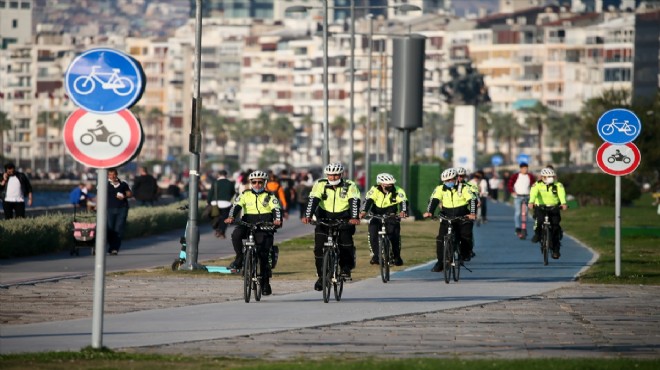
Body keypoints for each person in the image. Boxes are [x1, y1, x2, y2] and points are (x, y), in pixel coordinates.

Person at [301, 162, 361, 291]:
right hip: (324, 218)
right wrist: (308, 215)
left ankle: (346, 268)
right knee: (318, 248)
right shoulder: (320, 184)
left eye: (335, 175)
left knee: (345, 243)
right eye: (330, 175)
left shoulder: (349, 185)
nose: (333, 178)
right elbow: (313, 200)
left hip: (344, 218)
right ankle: (321, 277)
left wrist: (354, 217)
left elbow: (354, 201)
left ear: (341, 174)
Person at [225, 170, 283, 296]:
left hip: (264, 226)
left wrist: (277, 220)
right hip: (247, 223)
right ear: (250, 183)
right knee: (236, 235)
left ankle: (265, 282)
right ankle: (239, 257)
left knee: (263, 255)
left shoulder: (270, 196)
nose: (257, 184)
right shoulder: (245, 194)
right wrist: (231, 217)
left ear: (264, 183)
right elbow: (236, 206)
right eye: (254, 182)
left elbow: (277, 209)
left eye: (260, 182)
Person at [423, 168, 477, 272]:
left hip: (463, 216)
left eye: (450, 180)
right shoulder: (439, 189)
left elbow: (472, 200)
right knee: (440, 239)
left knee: (466, 235)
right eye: (446, 181)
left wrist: (472, 213)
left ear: (456, 178)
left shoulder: (465, 188)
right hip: (446, 216)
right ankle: (440, 262)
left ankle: (465, 253)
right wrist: (429, 212)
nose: (448, 182)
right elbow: (434, 200)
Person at [359, 173, 409, 266]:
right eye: (387, 184)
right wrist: (363, 211)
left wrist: (403, 211)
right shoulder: (374, 189)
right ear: (381, 184)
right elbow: (368, 201)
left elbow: (403, 202)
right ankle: (376, 256)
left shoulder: (398, 190)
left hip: (391, 216)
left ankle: (396, 256)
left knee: (395, 236)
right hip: (376, 215)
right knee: (372, 234)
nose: (390, 186)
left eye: (391, 184)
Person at [528, 167, 568, 259]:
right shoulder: (536, 185)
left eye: (551, 176)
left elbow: (562, 194)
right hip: (540, 207)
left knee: (555, 227)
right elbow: (533, 193)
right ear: (542, 177)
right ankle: (538, 235)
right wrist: (531, 202)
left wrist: (563, 203)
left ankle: (556, 250)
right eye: (548, 176)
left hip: (554, 207)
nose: (550, 178)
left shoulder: (558, 185)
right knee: (539, 221)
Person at [107, 168, 132, 255]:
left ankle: (115, 248)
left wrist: (124, 196)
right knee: (110, 229)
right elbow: (99, 196)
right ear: (107, 175)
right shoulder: (105, 184)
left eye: (113, 174)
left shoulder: (123, 183)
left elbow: (129, 193)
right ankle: (111, 246)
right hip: (109, 209)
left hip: (122, 209)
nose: (112, 176)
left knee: (119, 228)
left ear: (116, 174)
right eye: (110, 174)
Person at [507, 162, 535, 237]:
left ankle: (524, 228)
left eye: (526, 168)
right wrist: (513, 192)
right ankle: (517, 227)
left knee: (525, 213)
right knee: (518, 212)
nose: (525, 170)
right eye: (524, 168)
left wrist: (533, 195)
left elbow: (534, 185)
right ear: (521, 169)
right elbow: (510, 184)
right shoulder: (515, 176)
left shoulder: (530, 176)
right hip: (518, 196)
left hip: (527, 196)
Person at [208, 170, 235, 238]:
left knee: (215, 217)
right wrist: (228, 198)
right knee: (225, 218)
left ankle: (217, 229)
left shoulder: (215, 182)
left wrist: (208, 202)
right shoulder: (230, 183)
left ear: (218, 174)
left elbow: (210, 193)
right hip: (226, 204)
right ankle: (222, 231)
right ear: (226, 175)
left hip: (215, 203)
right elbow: (233, 192)